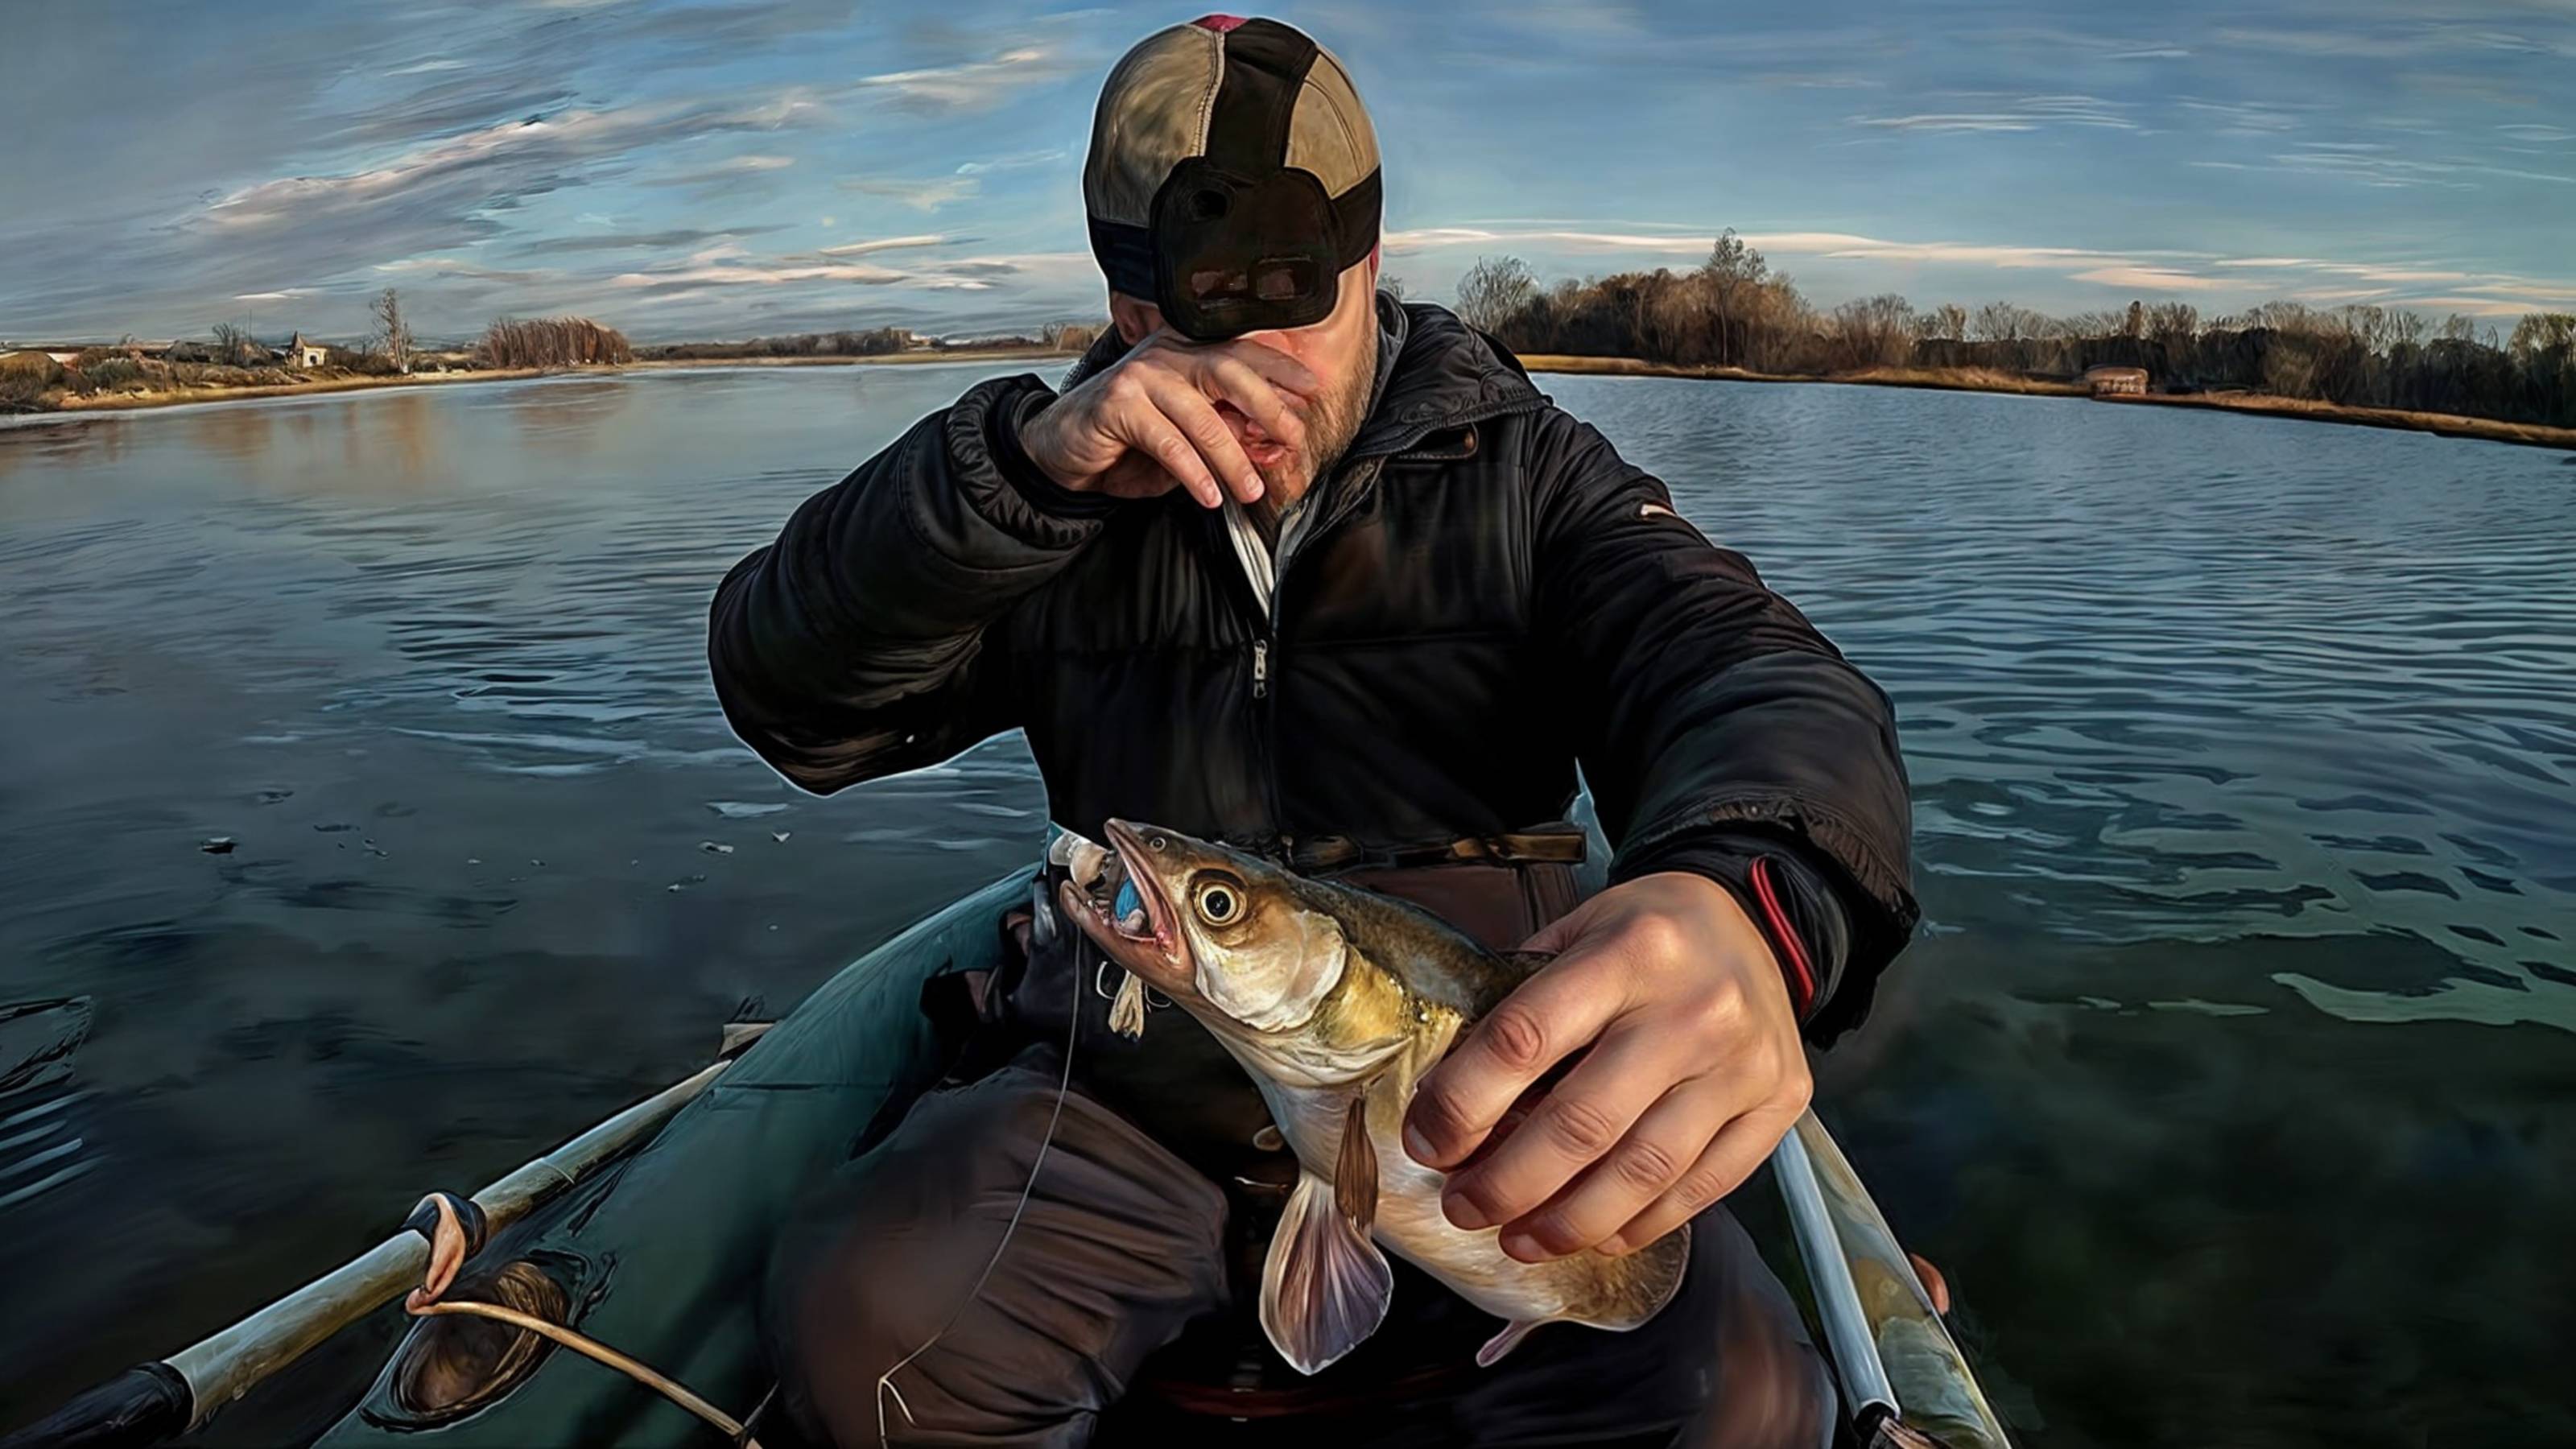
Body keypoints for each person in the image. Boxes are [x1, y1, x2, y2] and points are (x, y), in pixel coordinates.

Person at [706, 14, 1918, 1447]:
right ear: (1121, 295)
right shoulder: (1049, 494)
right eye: (1182, 320)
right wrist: (1015, 485)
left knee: (1743, 1399)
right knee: (872, 1334)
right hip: (1127, 1104)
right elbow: (797, 705)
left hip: (1494, 1112)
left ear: (1371, 255)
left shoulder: (1531, 476)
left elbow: (1751, 673)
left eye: (1295, 306)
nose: (1249, 374)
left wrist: (1751, 899)